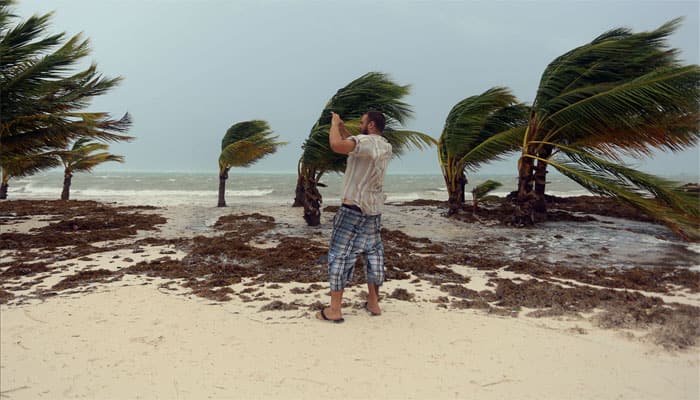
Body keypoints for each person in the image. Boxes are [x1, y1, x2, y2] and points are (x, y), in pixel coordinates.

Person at [316, 110, 392, 323]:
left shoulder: (365, 143)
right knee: (373, 255)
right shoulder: (385, 146)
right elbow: (357, 143)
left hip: (353, 210)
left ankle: (335, 310)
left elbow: (337, 146)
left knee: (339, 256)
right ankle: (374, 304)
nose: (360, 124)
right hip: (373, 211)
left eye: (362, 122)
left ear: (371, 125)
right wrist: (342, 128)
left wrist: (333, 125)